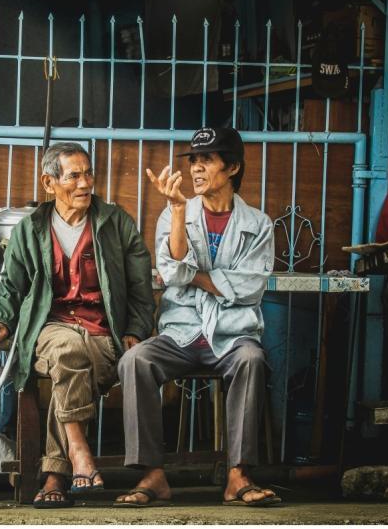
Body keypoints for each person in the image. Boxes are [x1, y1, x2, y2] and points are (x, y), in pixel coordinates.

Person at [0, 142, 154, 508]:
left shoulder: (116, 222)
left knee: (72, 364)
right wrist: (0, 319)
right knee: (67, 348)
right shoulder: (30, 229)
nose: (85, 183)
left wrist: (136, 329)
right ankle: (79, 451)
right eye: (74, 176)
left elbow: (141, 285)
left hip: (103, 333)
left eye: (88, 174)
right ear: (50, 183)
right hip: (49, 329)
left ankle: (55, 474)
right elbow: (12, 285)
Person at [114, 127, 282, 507]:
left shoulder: (258, 224)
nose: (196, 168)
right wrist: (177, 211)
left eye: (207, 159)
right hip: (182, 331)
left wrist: (194, 275)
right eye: (193, 160)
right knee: (135, 360)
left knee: (251, 359)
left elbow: (250, 287)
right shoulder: (175, 213)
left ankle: (238, 475)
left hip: (232, 333)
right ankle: (152, 474)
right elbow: (171, 271)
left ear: (232, 167)